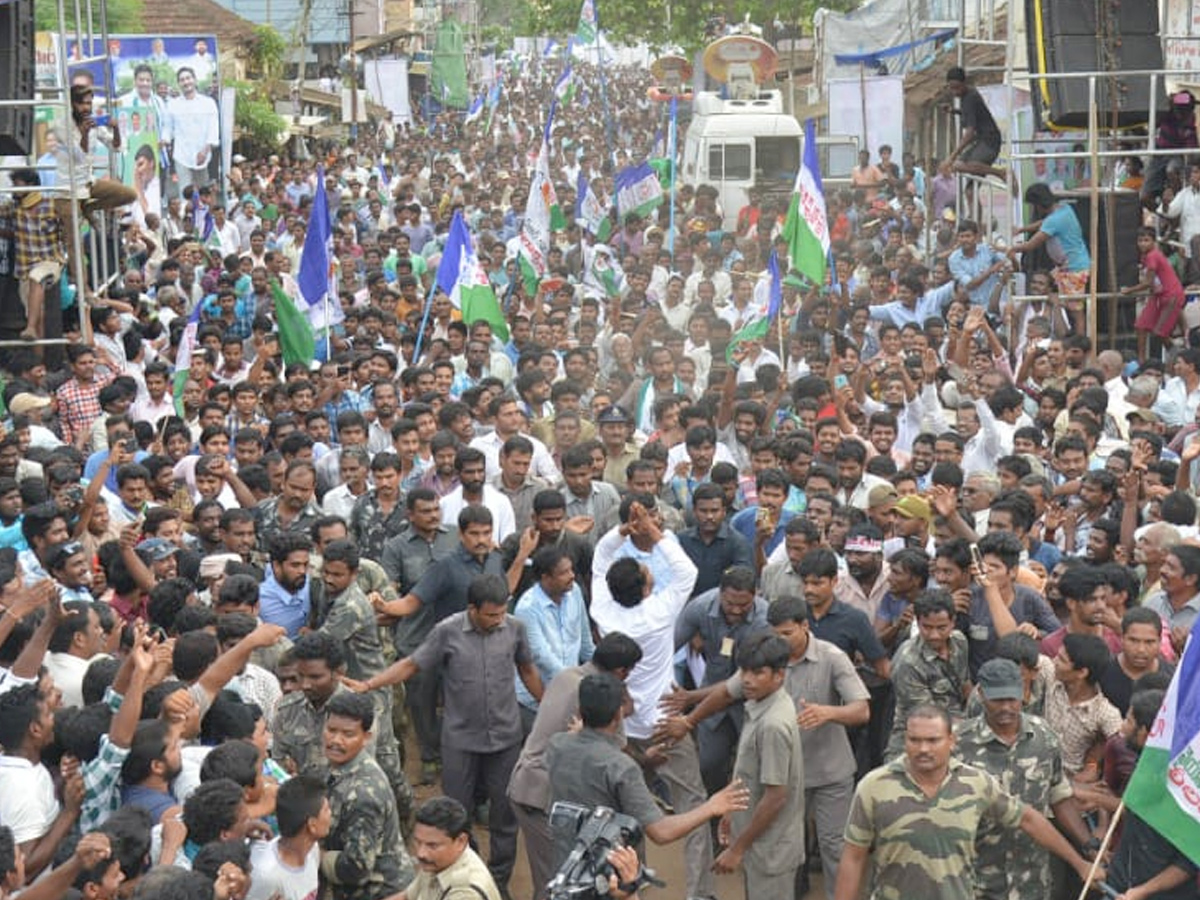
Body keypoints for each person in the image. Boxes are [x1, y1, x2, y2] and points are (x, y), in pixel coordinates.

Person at [350, 575, 542, 896]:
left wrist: (548, 707)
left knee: (505, 818)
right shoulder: (447, 631)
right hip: (460, 742)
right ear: (472, 609)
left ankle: (498, 884)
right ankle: (464, 881)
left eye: (502, 613)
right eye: (491, 615)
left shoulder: (515, 628)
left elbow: (528, 671)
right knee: (456, 815)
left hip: (506, 740)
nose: (499, 621)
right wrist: (370, 685)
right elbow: (412, 665)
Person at [834, 704, 1097, 900]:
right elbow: (853, 858)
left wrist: (1080, 862)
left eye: (933, 740)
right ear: (905, 741)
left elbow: (1028, 819)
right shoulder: (874, 787)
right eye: (915, 740)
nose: (923, 749)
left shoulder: (976, 784)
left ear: (951, 741)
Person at [545, 673, 749, 881]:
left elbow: (582, 746)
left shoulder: (556, 745)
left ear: (580, 712)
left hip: (566, 868)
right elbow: (661, 832)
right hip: (605, 877)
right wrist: (712, 806)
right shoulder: (621, 766)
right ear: (618, 715)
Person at [507, 632, 643, 899]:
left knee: (556, 880)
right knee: (560, 884)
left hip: (527, 786)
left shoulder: (567, 676)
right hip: (543, 798)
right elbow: (614, 750)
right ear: (620, 671)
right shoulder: (596, 694)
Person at [954, 659, 1097, 900]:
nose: (1006, 708)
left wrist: (1087, 845)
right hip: (975, 880)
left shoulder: (1044, 737)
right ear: (980, 694)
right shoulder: (957, 744)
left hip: (1031, 878)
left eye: (1013, 699)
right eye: (997, 700)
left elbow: (1058, 796)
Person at [712, 632, 806, 899]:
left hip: (771, 850)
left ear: (779, 675)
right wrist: (732, 813)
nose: (747, 680)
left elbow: (776, 797)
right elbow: (748, 769)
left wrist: (737, 849)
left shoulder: (773, 724)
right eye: (744, 671)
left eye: (758, 672)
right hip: (761, 843)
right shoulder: (762, 704)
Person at [321, 692, 414, 900]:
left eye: (348, 734)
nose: (336, 740)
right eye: (331, 730)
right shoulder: (338, 766)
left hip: (380, 892)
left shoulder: (364, 793)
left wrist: (314, 856)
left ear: (366, 737)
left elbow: (357, 867)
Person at [389, 796, 502, 900]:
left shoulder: (466, 893)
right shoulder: (437, 862)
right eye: (418, 842)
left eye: (432, 845)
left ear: (460, 841)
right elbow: (406, 897)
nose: (420, 853)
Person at [245, 774, 328, 900]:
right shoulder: (266, 876)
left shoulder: (312, 850)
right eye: (326, 810)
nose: (330, 814)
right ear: (312, 825)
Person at [1009, 183, 1091, 298]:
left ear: (1038, 205)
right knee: (1050, 292)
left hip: (1073, 268)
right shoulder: (1064, 209)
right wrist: (1021, 229)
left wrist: (1010, 248)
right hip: (1067, 266)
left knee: (1074, 308)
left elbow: (1030, 245)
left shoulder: (1053, 221)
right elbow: (1043, 223)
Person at [944, 67, 1007, 185]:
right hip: (980, 140)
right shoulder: (965, 97)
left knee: (958, 165)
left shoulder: (970, 97)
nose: (955, 92)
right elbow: (971, 114)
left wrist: (952, 156)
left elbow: (970, 133)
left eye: (957, 87)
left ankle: (1000, 173)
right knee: (969, 192)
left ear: (964, 83)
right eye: (951, 88)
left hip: (989, 140)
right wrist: (954, 111)